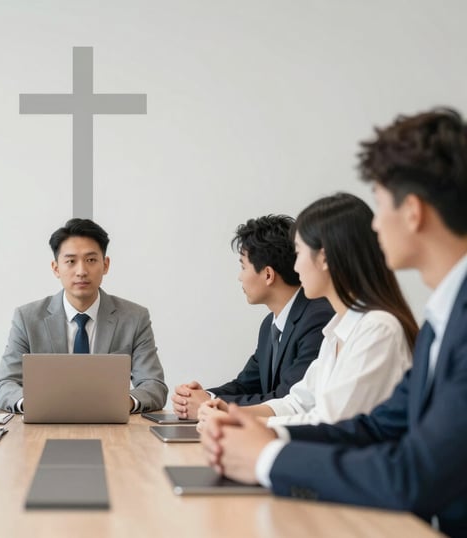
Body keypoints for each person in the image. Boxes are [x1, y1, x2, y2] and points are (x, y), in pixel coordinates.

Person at [201, 108, 467, 536]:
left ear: (413, 212)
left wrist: (266, 457)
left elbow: (414, 474)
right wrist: (262, 434)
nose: (375, 225)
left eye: (380, 205)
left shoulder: (413, 324)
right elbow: (376, 426)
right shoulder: (442, 318)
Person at [198, 193, 417, 426]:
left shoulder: (377, 330)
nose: (295, 265)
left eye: (299, 252)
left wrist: (242, 422)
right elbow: (297, 402)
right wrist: (234, 413)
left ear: (323, 258)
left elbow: (331, 424)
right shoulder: (336, 332)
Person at [0, 218, 168, 413]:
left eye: (91, 260)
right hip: (44, 425)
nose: (81, 271)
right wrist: (32, 404)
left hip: (112, 427)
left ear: (106, 265)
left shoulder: (134, 317)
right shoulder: (27, 318)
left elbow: (154, 385)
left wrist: (123, 402)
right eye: (70, 261)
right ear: (56, 268)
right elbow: (5, 384)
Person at [172, 215, 333, 419]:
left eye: (243, 266)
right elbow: (246, 384)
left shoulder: (318, 318)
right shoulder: (270, 325)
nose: (239, 276)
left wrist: (210, 405)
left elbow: (288, 399)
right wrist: (204, 396)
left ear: (268, 275)